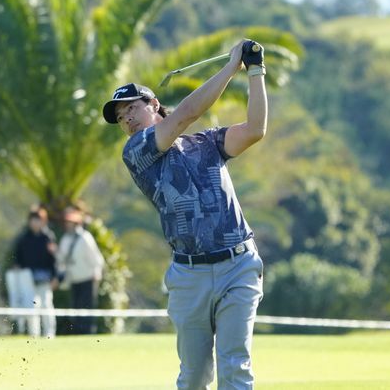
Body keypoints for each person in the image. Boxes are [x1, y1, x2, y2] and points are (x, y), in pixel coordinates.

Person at [102, 39, 267, 389]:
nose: (126, 119)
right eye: (120, 117)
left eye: (131, 108)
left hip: (238, 265)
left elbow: (254, 130)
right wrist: (230, 67)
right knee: (194, 377)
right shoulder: (137, 152)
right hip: (189, 276)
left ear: (153, 104)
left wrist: (255, 70)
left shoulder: (208, 144)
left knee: (235, 368)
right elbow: (186, 115)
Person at [2, 206, 58, 338]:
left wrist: (55, 277)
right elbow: (17, 257)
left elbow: (54, 260)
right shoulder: (23, 238)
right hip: (27, 279)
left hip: (44, 278)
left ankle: (49, 334)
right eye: (33, 220)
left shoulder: (48, 237)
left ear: (43, 221)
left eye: (38, 220)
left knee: (46, 305)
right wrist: (17, 268)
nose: (35, 223)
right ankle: (34, 334)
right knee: (31, 306)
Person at [56, 206, 105, 334]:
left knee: (87, 309)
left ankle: (87, 333)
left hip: (88, 279)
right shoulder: (66, 239)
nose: (68, 225)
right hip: (74, 279)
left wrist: (96, 274)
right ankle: (78, 333)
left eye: (71, 222)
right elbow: (61, 258)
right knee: (76, 308)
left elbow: (96, 259)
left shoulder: (85, 237)